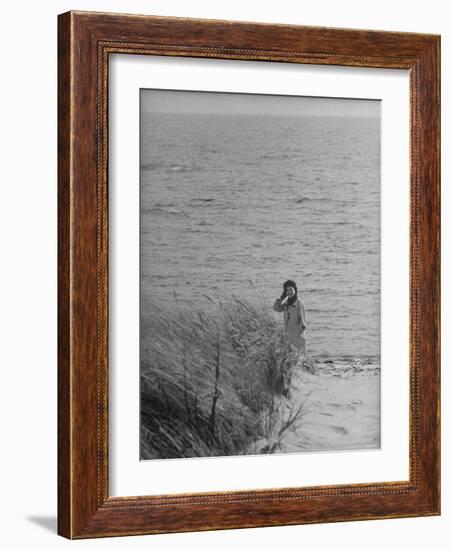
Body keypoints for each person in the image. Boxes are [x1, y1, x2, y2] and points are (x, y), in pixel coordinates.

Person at [273, 279, 307, 355]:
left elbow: (302, 318)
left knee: (299, 355)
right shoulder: (286, 303)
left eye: (291, 289)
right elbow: (276, 308)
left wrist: (301, 331)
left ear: (295, 289)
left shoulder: (298, 302)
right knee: (290, 354)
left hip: (297, 334)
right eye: (287, 290)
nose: (289, 292)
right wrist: (282, 298)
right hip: (288, 332)